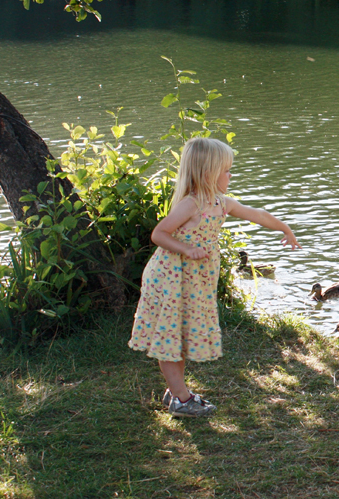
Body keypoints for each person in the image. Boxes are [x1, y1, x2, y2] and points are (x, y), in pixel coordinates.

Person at [128, 137, 301, 417]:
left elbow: (256, 214)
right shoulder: (191, 204)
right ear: (208, 173)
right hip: (171, 277)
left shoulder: (221, 202)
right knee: (170, 338)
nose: (230, 175)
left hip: (193, 281)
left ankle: (176, 392)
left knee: (180, 336)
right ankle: (182, 400)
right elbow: (159, 234)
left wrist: (285, 229)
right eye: (226, 170)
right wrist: (187, 248)